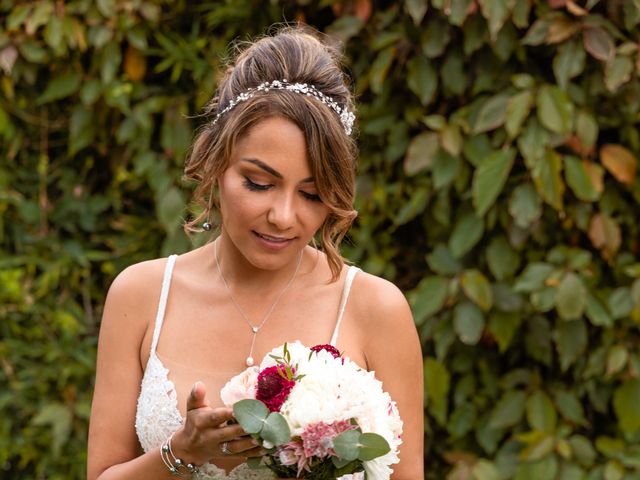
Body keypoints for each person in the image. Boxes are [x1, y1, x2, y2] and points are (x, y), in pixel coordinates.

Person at [87, 26, 424, 480]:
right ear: (215, 162)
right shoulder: (141, 295)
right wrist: (182, 451)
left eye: (312, 193)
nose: (283, 216)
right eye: (259, 183)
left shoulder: (377, 310)